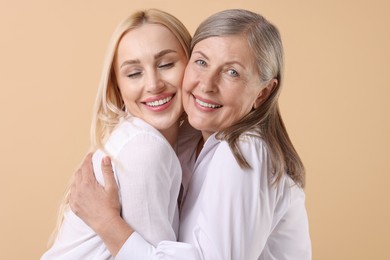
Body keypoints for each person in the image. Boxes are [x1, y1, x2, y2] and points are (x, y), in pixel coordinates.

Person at [70, 9, 312, 260]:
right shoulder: (185, 143)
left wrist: (106, 223)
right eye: (202, 62)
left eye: (232, 72)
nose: (207, 84)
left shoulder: (245, 150)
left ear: (262, 93)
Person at [41, 9, 191, 259]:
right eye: (134, 73)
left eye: (166, 64)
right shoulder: (144, 148)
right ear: (118, 87)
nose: (153, 84)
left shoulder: (181, 143)